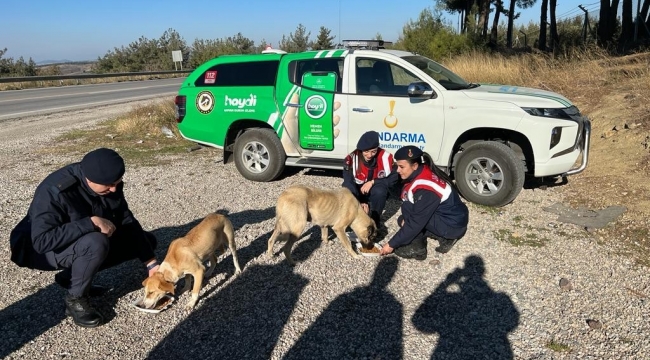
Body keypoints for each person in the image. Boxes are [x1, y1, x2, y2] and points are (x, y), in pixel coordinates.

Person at [9, 148, 160, 328]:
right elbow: (42, 241)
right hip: (36, 249)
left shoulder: (110, 184)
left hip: (74, 239)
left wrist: (151, 263)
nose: (114, 189)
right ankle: (76, 300)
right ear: (89, 179)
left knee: (146, 241)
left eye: (117, 183)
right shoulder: (54, 191)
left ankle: (72, 277)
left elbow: (127, 221)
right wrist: (90, 223)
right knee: (96, 243)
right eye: (108, 185)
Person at [380, 145, 469, 260]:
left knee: (408, 209)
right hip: (452, 217)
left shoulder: (426, 190)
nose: (398, 170)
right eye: (397, 166)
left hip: (453, 225)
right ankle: (434, 235)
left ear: (415, 165)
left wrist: (391, 244)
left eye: (401, 167)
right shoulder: (423, 169)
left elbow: (416, 222)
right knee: (402, 219)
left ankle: (419, 249)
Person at [342, 131, 398, 227]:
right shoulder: (351, 159)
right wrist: (360, 202)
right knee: (346, 190)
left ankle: (375, 220)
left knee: (380, 191)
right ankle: (354, 219)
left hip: (375, 188)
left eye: (373, 151)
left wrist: (373, 182)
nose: (370, 155)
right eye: (366, 151)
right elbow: (348, 182)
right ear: (361, 150)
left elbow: (394, 178)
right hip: (357, 189)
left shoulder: (386, 157)